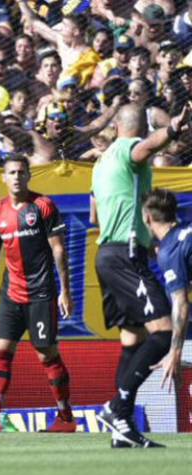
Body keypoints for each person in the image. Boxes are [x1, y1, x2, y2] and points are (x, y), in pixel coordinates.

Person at [90, 103, 191, 447]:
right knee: (162, 333)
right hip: (125, 255)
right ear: (135, 128)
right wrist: (172, 130)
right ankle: (116, 407)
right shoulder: (127, 151)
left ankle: (123, 430)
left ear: (115, 125)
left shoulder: (101, 162)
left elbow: (93, 216)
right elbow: (146, 147)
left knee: (132, 342)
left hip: (106, 254)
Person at [0, 154, 76, 433]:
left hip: (41, 293)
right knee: (1, 349)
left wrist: (65, 290)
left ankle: (66, 418)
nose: (16, 177)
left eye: (21, 172)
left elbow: (59, 250)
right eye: (11, 173)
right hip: (11, 294)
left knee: (46, 354)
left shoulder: (43, 206)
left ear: (29, 176)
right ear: (3, 178)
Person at [146, 189, 190, 400]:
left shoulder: (170, 250)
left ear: (147, 218)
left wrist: (175, 352)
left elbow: (181, 302)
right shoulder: (185, 233)